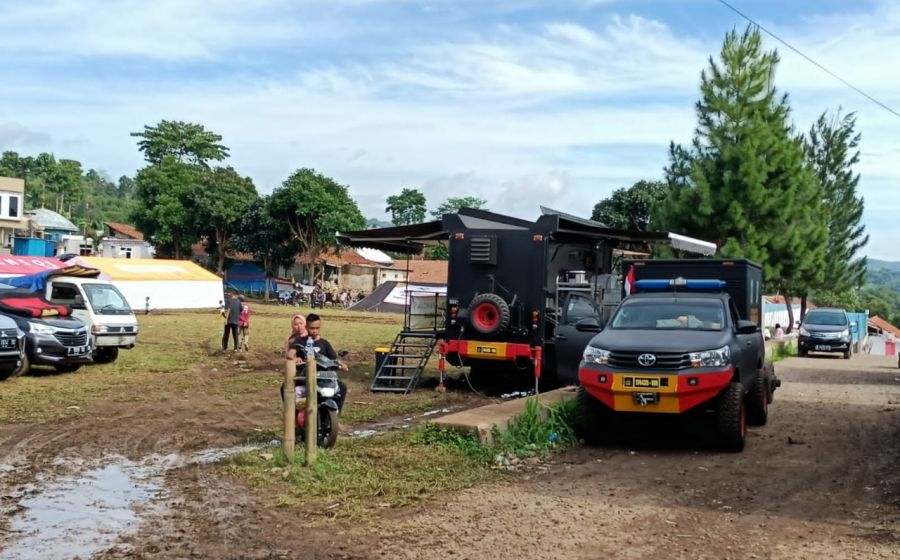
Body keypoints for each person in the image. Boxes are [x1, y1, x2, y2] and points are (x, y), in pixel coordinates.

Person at [286, 313, 348, 412]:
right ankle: (293, 415)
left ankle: (336, 415)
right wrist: (295, 358)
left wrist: (341, 365)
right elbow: (290, 354)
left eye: (317, 328)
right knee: (285, 388)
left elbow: (334, 359)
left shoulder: (325, 343)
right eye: (312, 328)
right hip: (305, 377)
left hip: (323, 377)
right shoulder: (300, 341)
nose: (315, 330)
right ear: (306, 327)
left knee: (342, 387)